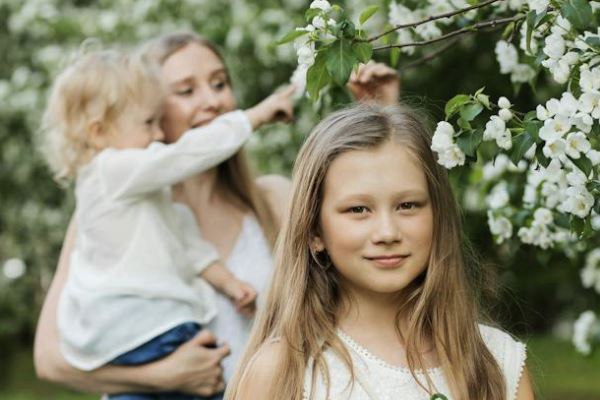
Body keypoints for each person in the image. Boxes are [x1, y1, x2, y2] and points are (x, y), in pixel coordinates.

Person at [34, 31, 401, 398]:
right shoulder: (104, 216)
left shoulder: (273, 199)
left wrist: (380, 119)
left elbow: (376, 273)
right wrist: (162, 377)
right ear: (148, 108)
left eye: (219, 83)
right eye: (186, 91)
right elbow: (50, 359)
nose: (212, 100)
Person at [226, 103, 535, 400]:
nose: (387, 232)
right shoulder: (284, 370)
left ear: (438, 215)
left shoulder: (495, 361)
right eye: (358, 209)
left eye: (408, 205)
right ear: (314, 231)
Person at [40, 47, 294, 400]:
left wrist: (230, 283)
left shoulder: (155, 202)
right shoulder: (109, 172)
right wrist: (254, 117)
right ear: (99, 133)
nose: (158, 134)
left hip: (180, 339)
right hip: (145, 338)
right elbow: (184, 154)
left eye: (219, 83)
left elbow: (188, 248)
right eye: (150, 121)